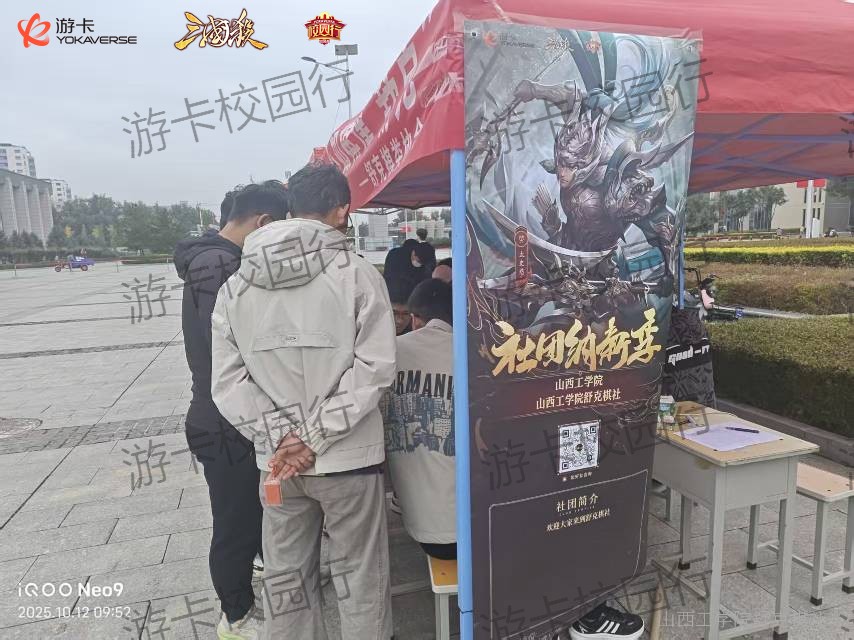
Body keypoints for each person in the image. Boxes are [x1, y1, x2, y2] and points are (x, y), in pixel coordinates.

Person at [211, 163, 396, 640]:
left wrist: (284, 437)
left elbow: (228, 382)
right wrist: (313, 436)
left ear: (291, 207)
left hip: (278, 463)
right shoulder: (358, 274)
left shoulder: (235, 286)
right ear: (342, 210)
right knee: (361, 579)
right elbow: (375, 368)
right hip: (349, 459)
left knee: (286, 581)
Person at [174, 181, 290, 640]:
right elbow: (230, 349)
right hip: (224, 419)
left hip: (224, 413)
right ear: (264, 223)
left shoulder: (213, 259)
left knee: (248, 513)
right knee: (234, 522)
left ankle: (254, 574)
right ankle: (236, 616)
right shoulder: (220, 265)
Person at [382, 279, 456, 560]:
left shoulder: (388, 352)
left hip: (418, 527)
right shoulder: (475, 354)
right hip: (476, 529)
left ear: (414, 319)